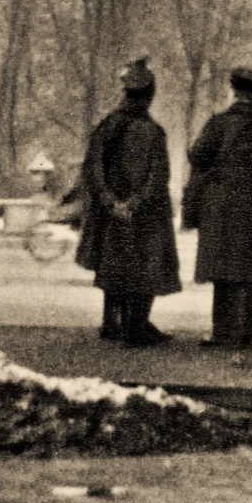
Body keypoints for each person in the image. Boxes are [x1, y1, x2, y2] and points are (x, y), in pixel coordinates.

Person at [76, 58, 180, 346]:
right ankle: (136, 327)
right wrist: (135, 203)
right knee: (146, 268)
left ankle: (113, 323)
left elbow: (92, 168)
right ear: (149, 95)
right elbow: (159, 177)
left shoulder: (107, 125)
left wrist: (110, 202)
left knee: (114, 265)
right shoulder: (153, 132)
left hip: (112, 212)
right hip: (144, 214)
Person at [189, 66, 252, 349]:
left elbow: (197, 156)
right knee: (248, 269)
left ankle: (222, 333)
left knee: (222, 270)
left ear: (233, 90)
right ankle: (246, 333)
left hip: (220, 206)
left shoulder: (217, 124)